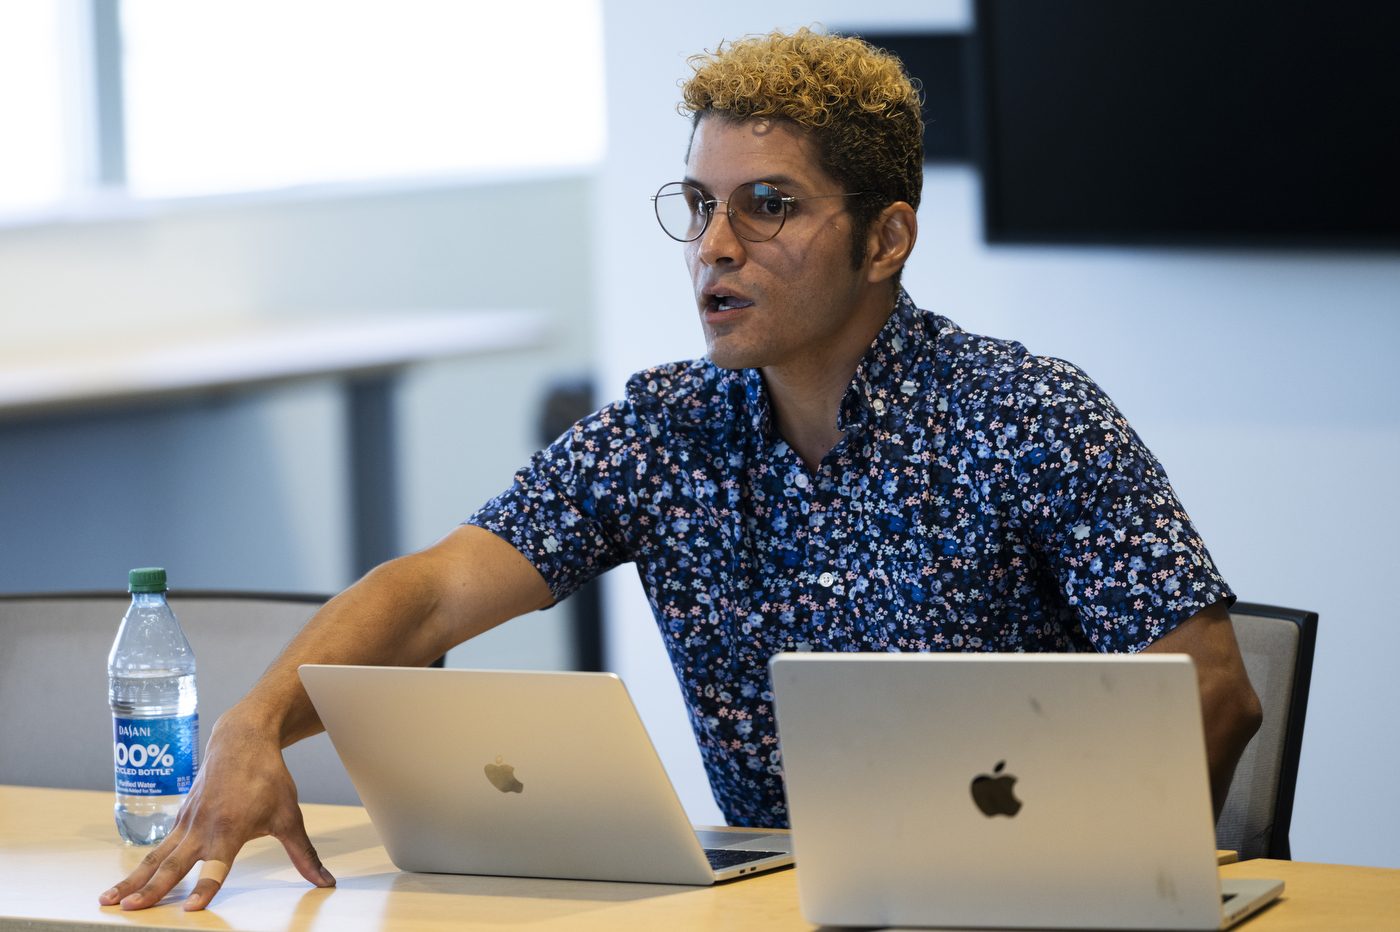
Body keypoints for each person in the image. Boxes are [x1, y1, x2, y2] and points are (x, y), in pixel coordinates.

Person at [101, 27, 1262, 912]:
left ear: (885, 237)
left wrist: (1029, 884)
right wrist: (252, 725)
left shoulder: (1031, 412)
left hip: (1022, 910)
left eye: (767, 208)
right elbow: (432, 591)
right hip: (774, 910)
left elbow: (1211, 689)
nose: (714, 245)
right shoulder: (666, 428)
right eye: (699, 205)